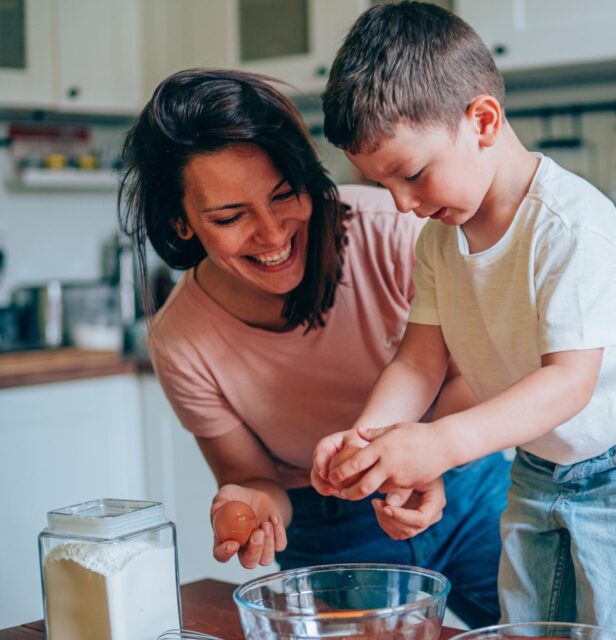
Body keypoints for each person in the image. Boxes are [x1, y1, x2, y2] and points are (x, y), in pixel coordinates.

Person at [310, 3, 616, 639]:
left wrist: (438, 444)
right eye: (384, 188)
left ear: (483, 120)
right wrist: (373, 443)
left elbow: (569, 383)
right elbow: (419, 359)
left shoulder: (571, 226)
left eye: (411, 175)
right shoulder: (441, 240)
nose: (405, 206)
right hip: (539, 462)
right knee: (525, 629)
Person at [118, 68, 510, 628]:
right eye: (230, 217)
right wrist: (252, 505)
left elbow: (483, 371)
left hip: (469, 490)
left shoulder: (395, 232)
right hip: (329, 539)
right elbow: (256, 479)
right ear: (181, 223)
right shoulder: (181, 341)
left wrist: (423, 454)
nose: (273, 234)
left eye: (284, 195)